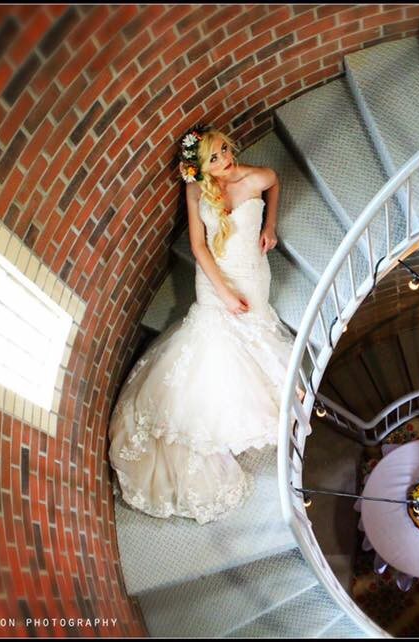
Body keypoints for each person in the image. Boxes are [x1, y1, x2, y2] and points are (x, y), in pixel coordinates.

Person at [108, 124, 296, 525]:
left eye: (226, 150)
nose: (226, 160)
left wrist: (270, 226)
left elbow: (276, 182)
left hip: (249, 272)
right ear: (200, 167)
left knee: (250, 325)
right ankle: (210, 412)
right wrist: (224, 293)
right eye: (214, 158)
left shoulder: (255, 177)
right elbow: (197, 246)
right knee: (211, 337)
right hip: (214, 276)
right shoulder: (196, 190)